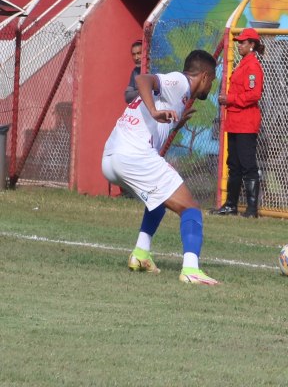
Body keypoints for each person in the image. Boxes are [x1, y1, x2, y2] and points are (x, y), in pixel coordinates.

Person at [102, 50, 220, 286]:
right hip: (133, 156)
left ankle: (141, 254)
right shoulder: (179, 81)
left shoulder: (179, 96)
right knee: (191, 209)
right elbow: (143, 79)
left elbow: (155, 120)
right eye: (213, 80)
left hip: (111, 157)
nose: (212, 86)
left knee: (158, 201)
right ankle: (191, 269)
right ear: (205, 76)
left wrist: (175, 125)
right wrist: (155, 112)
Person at [213, 27, 265, 218]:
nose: (240, 45)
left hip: (245, 122)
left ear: (252, 45)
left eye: (243, 42)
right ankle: (230, 205)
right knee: (233, 163)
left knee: (247, 163)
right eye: (239, 42)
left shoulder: (252, 66)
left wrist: (230, 99)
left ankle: (251, 210)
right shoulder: (243, 64)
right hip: (235, 121)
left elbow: (254, 94)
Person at [124, 40, 143, 104]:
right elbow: (127, 96)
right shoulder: (135, 72)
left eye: (139, 53)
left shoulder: (154, 69)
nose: (136, 57)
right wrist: (144, 91)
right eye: (134, 54)